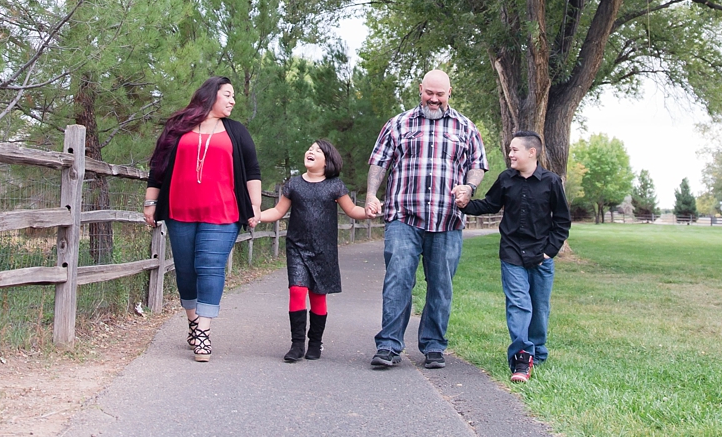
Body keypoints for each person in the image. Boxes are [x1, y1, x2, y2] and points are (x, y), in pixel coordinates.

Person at [364, 69, 487, 370]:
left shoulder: (466, 127)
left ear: (449, 93)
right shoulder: (398, 124)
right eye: (429, 93)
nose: (434, 99)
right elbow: (379, 162)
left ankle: (434, 345)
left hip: (446, 220)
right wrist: (370, 195)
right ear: (420, 89)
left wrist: (469, 188)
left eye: (440, 94)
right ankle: (389, 346)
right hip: (403, 217)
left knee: (441, 285)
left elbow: (478, 164)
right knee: (398, 279)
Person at [143, 76, 262, 361]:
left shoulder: (237, 131)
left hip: (223, 213)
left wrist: (255, 205)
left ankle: (204, 333)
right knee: (186, 271)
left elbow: (253, 170)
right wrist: (150, 202)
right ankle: (194, 323)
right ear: (211, 95)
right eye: (228, 95)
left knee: (210, 267)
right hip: (179, 211)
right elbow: (158, 168)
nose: (233, 100)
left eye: (234, 96)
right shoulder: (177, 128)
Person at [457, 130, 570, 383]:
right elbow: (489, 204)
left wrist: (548, 252)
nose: (510, 154)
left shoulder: (551, 182)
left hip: (540, 257)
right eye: (510, 149)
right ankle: (521, 356)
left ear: (532, 152)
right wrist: (465, 205)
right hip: (511, 254)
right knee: (519, 305)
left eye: (514, 150)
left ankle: (537, 351)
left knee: (539, 309)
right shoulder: (506, 179)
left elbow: (562, 221)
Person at [253, 139, 369, 362]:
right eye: (310, 149)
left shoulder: (335, 185)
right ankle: (297, 344)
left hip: (324, 249)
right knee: (297, 290)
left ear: (328, 161)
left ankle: (315, 342)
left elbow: (352, 210)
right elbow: (277, 211)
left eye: (318, 150)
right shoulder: (294, 184)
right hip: (297, 246)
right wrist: (258, 217)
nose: (311, 151)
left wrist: (369, 212)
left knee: (318, 296)